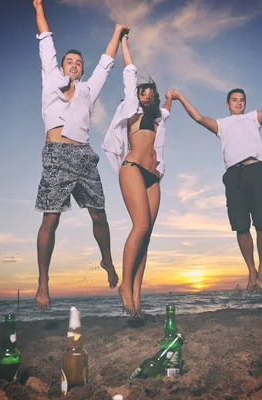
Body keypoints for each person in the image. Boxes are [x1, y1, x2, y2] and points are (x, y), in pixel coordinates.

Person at [32, 0, 127, 310]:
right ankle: (43, 281)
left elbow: (106, 63)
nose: (73, 64)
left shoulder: (88, 89)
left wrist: (116, 32)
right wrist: (38, 7)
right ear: (62, 66)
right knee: (51, 219)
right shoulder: (51, 79)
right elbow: (46, 41)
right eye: (68, 61)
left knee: (98, 212)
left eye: (77, 62)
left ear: (81, 69)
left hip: (84, 156)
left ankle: (107, 261)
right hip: (57, 155)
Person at [171, 64, 262, 294]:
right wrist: (180, 97)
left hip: (256, 170)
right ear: (227, 104)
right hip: (233, 176)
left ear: (245, 104)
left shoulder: (253, 118)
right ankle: (251, 270)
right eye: (234, 100)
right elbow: (198, 117)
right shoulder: (222, 125)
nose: (239, 103)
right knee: (241, 227)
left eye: (242, 100)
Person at [102, 32, 173, 316]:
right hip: (131, 168)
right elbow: (130, 74)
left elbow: (165, 110)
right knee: (140, 227)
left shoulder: (157, 117)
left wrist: (170, 99)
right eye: (143, 93)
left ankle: (137, 298)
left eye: (150, 93)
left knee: (147, 235)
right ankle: (124, 286)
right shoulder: (131, 110)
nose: (146, 96)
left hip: (152, 176)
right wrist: (124, 43)